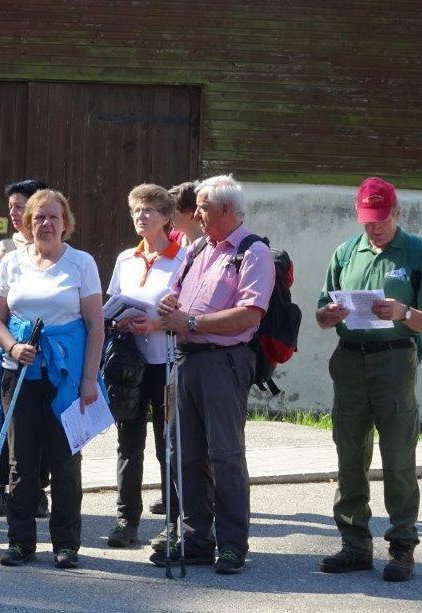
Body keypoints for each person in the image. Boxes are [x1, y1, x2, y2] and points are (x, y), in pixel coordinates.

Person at [315, 177, 422, 582]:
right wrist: (330, 315)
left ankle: (402, 546)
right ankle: (355, 546)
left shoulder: (417, 253)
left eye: (381, 219)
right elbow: (321, 314)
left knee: (398, 457)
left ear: (397, 212)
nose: (373, 227)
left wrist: (403, 313)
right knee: (349, 456)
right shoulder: (345, 252)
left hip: (394, 362)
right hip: (349, 361)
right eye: (367, 220)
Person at [156, 175, 275, 574]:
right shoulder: (196, 249)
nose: (196, 215)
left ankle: (232, 545)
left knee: (225, 455)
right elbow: (176, 295)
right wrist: (170, 304)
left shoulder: (253, 251)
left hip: (224, 362)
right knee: (185, 454)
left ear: (225, 209)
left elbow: (250, 314)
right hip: (185, 360)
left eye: (203, 208)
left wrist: (190, 321)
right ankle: (195, 541)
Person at [0, 189, 105, 570]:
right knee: (21, 461)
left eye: (54, 217)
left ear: (65, 223)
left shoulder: (82, 263)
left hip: (65, 376)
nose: (46, 224)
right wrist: (12, 347)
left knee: (65, 460)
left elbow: (96, 325)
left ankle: (66, 544)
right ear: (28, 223)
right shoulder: (12, 262)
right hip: (20, 373)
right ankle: (20, 541)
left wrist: (89, 380)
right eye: (39, 217)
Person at [103, 184, 187, 548]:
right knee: (128, 443)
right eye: (136, 210)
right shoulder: (126, 259)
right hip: (129, 364)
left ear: (166, 217)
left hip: (168, 363)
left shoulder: (184, 259)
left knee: (168, 444)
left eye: (148, 210)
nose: (140, 216)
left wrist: (156, 323)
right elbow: (111, 303)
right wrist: (118, 320)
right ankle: (126, 520)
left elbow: (190, 312)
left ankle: (173, 521)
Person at [0, 179, 51, 518]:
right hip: (4, 344)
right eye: (11, 208)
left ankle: (38, 489)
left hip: (43, 348)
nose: (14, 214)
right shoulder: (4, 249)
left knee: (41, 420)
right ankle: (0, 485)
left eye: (20, 207)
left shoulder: (55, 249)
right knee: (4, 417)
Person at [168, 181, 204, 248]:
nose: (168, 216)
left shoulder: (211, 243)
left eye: (172, 211)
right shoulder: (173, 236)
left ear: (189, 212)